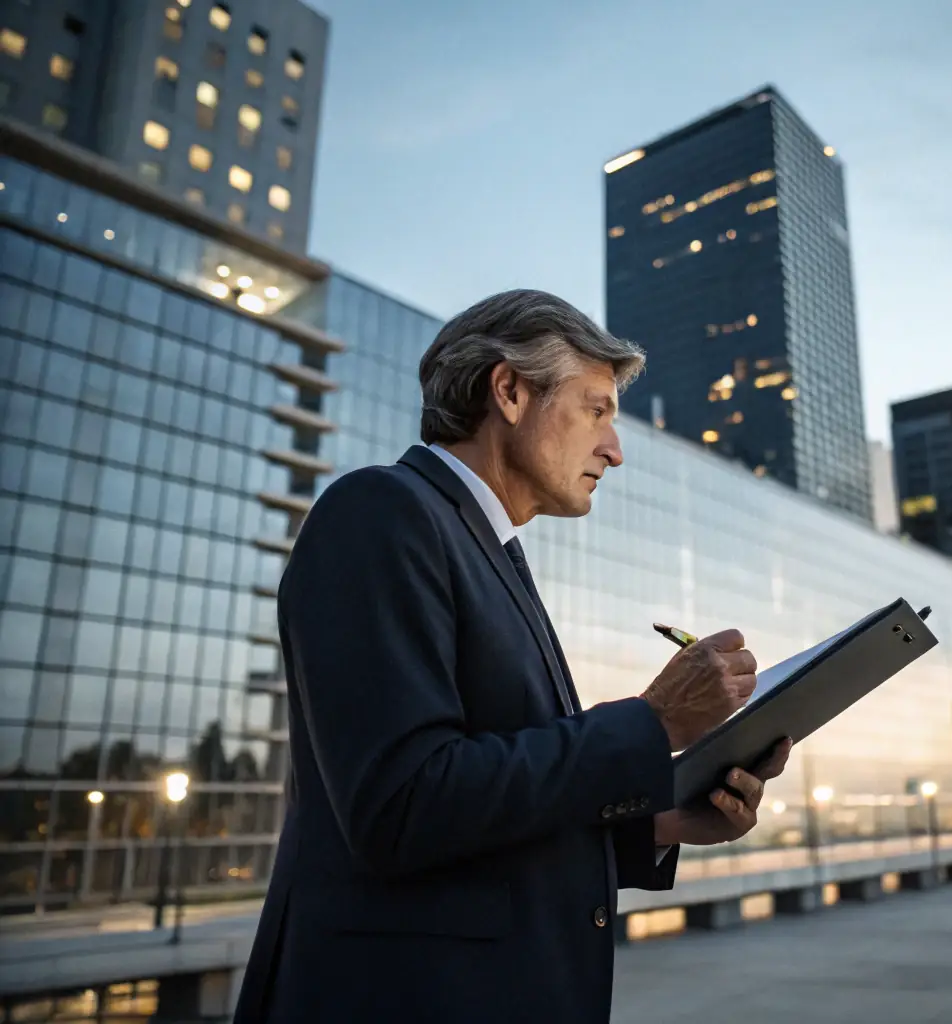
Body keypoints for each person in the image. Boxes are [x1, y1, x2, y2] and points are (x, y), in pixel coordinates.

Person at [233, 289, 791, 1023]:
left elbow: (488, 807)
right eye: (596, 410)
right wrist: (653, 726)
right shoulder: (380, 513)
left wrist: (658, 820)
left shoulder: (488, 552)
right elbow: (402, 805)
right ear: (510, 390)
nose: (614, 450)